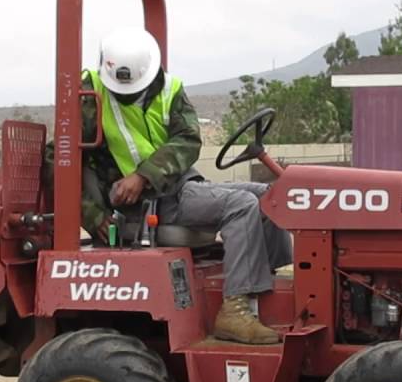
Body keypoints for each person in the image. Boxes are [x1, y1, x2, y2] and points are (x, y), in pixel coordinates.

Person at [78, 27, 291, 345]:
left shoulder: (170, 89)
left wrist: (146, 173)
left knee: (270, 196)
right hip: (146, 204)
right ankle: (235, 310)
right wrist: (93, 215)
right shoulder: (90, 97)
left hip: (176, 186)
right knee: (241, 205)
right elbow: (62, 158)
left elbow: (188, 139)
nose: (126, 93)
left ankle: (265, 290)